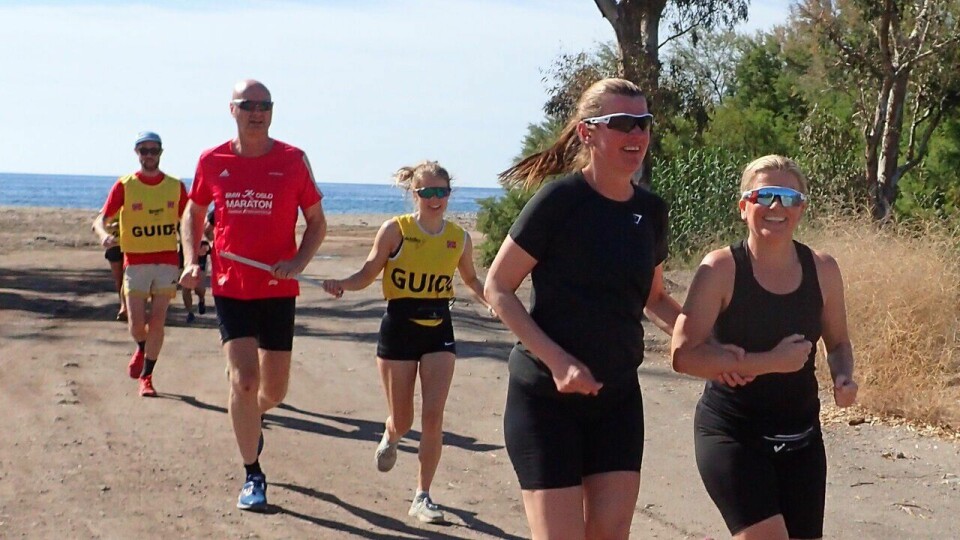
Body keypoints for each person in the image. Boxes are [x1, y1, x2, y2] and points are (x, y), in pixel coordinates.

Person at [483, 78, 682, 539]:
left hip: (617, 400)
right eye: (623, 124)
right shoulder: (560, 201)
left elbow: (654, 299)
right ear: (587, 132)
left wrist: (706, 336)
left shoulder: (651, 211)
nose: (637, 135)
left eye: (644, 123)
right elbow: (498, 288)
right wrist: (558, 362)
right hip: (545, 401)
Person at [670, 155, 858, 539]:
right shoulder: (721, 269)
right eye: (765, 195)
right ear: (744, 207)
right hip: (734, 435)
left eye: (789, 197)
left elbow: (838, 342)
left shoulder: (823, 269)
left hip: (801, 438)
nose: (776, 206)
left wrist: (843, 376)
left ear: (802, 207)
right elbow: (684, 354)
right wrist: (770, 362)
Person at [179, 79, 327, 512]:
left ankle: (252, 415)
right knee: (245, 380)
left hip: (279, 286)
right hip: (232, 286)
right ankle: (253, 473)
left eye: (265, 105)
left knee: (273, 391)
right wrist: (194, 259)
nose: (257, 111)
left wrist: (298, 263)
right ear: (233, 110)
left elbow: (317, 223)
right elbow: (194, 210)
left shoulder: (294, 160)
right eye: (249, 105)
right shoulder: (212, 160)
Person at [321, 161, 494, 523]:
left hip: (438, 329)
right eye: (426, 192)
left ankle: (423, 496)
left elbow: (472, 281)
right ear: (413, 194)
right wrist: (343, 284)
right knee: (404, 418)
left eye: (441, 192)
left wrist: (496, 303)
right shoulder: (394, 230)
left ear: (449, 194)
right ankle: (391, 432)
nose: (434, 199)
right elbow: (369, 272)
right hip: (398, 328)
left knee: (434, 417)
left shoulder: (458, 238)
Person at [92, 131, 188, 397]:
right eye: (144, 150)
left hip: (167, 261)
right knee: (136, 323)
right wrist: (104, 235)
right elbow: (100, 219)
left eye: (153, 150)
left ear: (161, 152)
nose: (149, 155)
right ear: (137, 153)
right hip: (135, 262)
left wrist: (206, 242)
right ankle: (142, 347)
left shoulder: (174, 185)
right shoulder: (125, 185)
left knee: (157, 321)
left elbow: (190, 220)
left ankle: (147, 376)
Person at [92, 213, 125, 321]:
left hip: (132, 246)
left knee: (129, 277)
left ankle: (128, 306)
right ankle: (123, 305)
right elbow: (96, 224)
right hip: (114, 245)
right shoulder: (112, 207)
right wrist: (104, 235)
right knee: (119, 278)